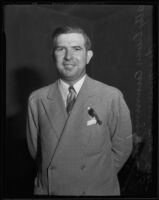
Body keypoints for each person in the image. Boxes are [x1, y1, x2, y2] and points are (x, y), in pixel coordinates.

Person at [26, 26, 132, 196]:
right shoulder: (37, 99)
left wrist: (98, 175)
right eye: (61, 49)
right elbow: (37, 152)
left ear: (88, 56)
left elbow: (123, 147)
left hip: (96, 190)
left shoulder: (112, 96)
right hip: (51, 190)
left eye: (76, 49)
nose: (68, 57)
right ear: (53, 56)